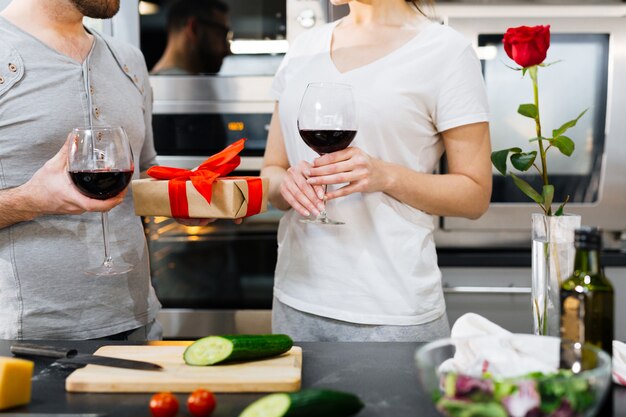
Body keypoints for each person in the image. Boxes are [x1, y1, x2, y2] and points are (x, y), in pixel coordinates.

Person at [261, 0, 493, 342]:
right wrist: (287, 185)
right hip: (296, 300)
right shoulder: (303, 50)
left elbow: (474, 195)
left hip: (393, 312)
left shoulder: (446, 51)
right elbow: (272, 171)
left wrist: (385, 176)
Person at [0, 0, 163, 340]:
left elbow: (144, 174)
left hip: (137, 322)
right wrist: (30, 200)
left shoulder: (129, 60)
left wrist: (181, 202)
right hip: (23, 339)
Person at [150, 0, 231, 75]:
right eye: (221, 34)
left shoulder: (150, 84)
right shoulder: (182, 88)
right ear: (194, 29)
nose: (227, 51)